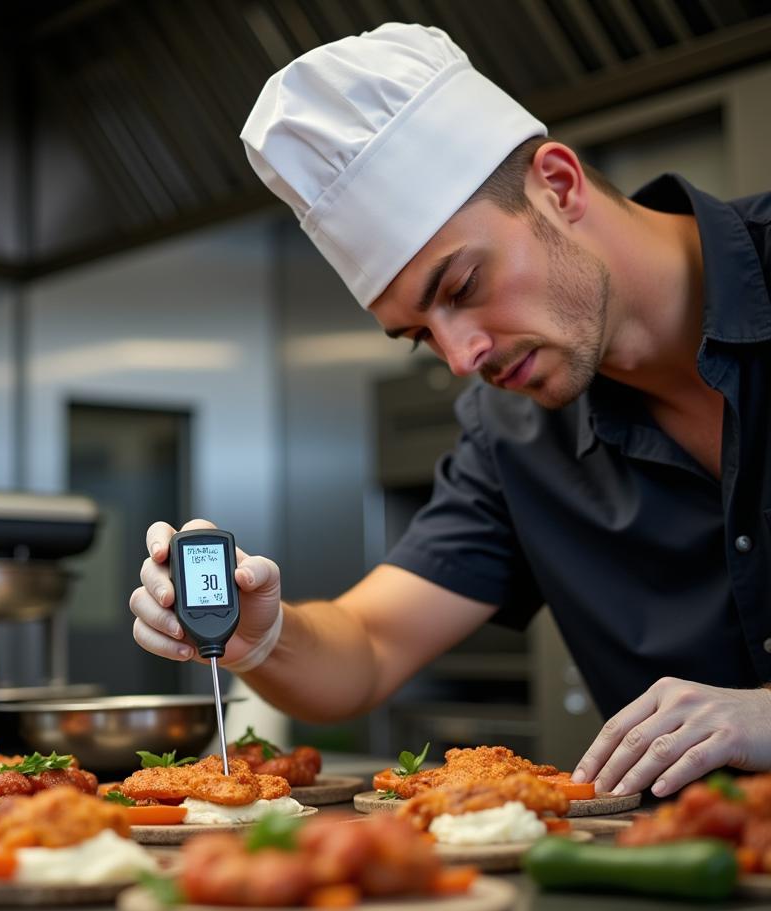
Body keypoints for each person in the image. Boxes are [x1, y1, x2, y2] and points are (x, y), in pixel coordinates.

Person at [129, 23, 771, 797]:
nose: (463, 357)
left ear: (558, 185)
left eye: (462, 287)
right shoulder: (515, 433)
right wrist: (258, 635)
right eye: (419, 336)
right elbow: (366, 646)